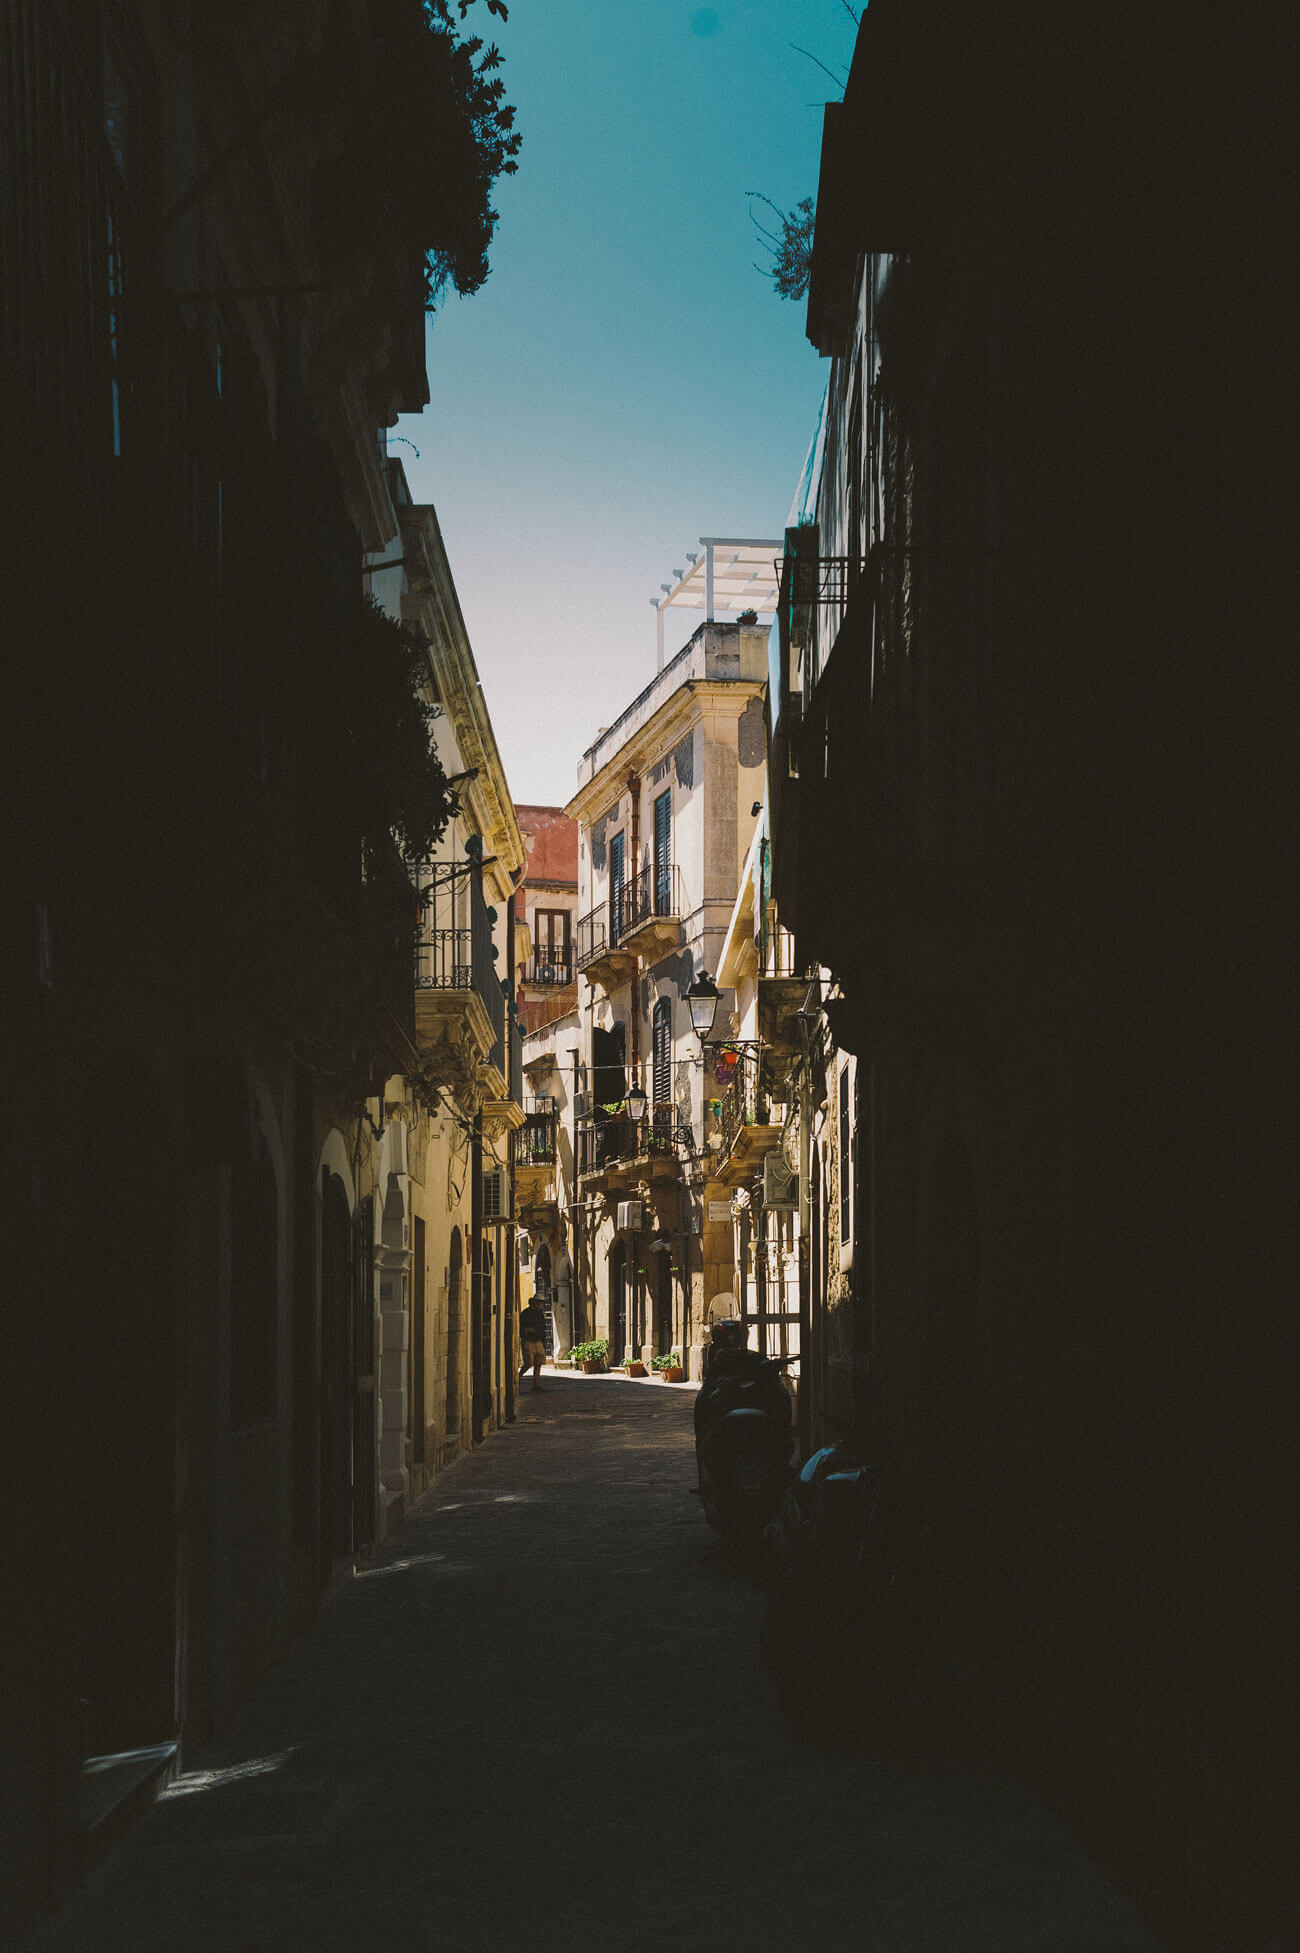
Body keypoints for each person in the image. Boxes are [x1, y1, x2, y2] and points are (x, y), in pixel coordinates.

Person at [518, 1296, 548, 1393]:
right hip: (528, 1340)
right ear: (534, 1302)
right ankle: (516, 1379)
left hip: (538, 1341)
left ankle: (536, 1385)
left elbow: (543, 1328)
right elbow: (521, 1327)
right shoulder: (525, 1313)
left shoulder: (540, 1314)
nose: (541, 1304)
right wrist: (527, 1330)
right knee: (528, 1363)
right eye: (539, 1302)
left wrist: (544, 1341)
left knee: (538, 1363)